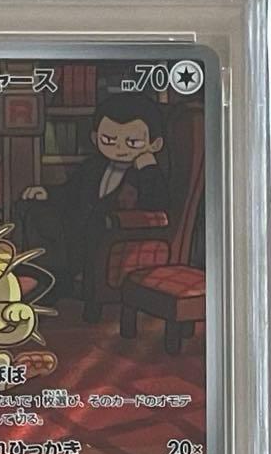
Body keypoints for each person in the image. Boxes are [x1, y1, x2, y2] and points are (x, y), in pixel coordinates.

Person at [18, 93, 169, 301]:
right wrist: (47, 193)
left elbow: (158, 205)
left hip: (109, 236)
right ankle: (36, 275)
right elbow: (70, 192)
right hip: (74, 230)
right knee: (32, 210)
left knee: (76, 238)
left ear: (155, 144)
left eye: (133, 142)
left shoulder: (147, 175)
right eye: (109, 140)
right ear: (95, 138)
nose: (119, 147)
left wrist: (147, 168)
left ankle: (47, 281)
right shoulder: (93, 166)